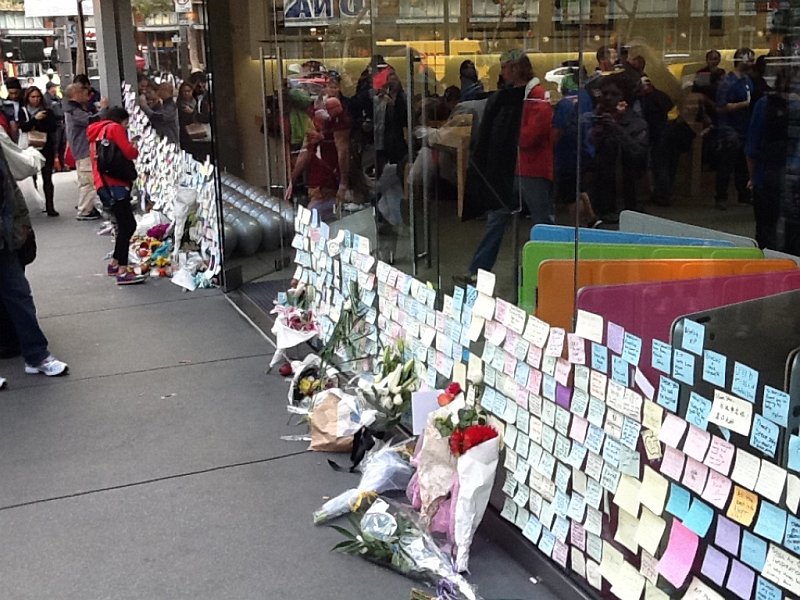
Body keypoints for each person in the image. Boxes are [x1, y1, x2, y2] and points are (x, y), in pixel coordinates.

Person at [456, 50, 532, 283]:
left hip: (522, 170)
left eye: (505, 67)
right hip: (513, 170)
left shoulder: (520, 98)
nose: (502, 72)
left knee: (532, 219)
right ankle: (478, 270)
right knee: (500, 220)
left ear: (515, 69)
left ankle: (479, 270)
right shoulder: (511, 98)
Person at [0, 143, 68, 378]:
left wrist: (23, 223)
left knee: (19, 296)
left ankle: (37, 355)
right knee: (18, 296)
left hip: (4, 239)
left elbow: (11, 189)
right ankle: (36, 355)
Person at [87, 107, 144, 285]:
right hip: (116, 184)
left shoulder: (96, 133)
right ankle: (123, 270)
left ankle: (115, 263)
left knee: (122, 224)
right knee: (128, 225)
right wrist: (134, 146)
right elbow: (129, 152)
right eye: (126, 124)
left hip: (102, 184)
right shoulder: (113, 128)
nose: (126, 128)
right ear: (121, 120)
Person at [583, 73, 649, 221]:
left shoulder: (636, 123)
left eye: (614, 94)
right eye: (605, 93)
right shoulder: (597, 120)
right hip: (600, 201)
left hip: (626, 201)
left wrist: (615, 128)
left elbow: (638, 154)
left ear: (624, 97)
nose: (608, 98)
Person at [285, 73, 352, 215]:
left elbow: (343, 150)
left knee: (316, 215)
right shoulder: (317, 114)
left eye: (333, 87)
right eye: (326, 87)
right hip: (318, 179)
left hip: (331, 178)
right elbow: (307, 148)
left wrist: (343, 183)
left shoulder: (339, 116)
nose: (329, 90)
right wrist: (292, 179)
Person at [552, 71, 600, 227]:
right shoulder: (585, 96)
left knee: (571, 195)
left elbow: (557, 130)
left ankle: (576, 228)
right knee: (579, 186)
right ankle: (592, 217)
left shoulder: (564, 104)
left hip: (567, 153)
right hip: (585, 148)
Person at [714, 47, 755, 210]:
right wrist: (743, 105)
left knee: (742, 165)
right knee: (726, 165)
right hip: (729, 129)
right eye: (749, 59)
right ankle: (721, 196)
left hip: (745, 128)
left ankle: (743, 194)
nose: (751, 62)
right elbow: (721, 107)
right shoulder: (727, 82)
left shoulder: (748, 80)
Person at [64, 82, 108, 220]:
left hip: (82, 149)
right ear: (76, 94)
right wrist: (104, 109)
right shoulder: (73, 111)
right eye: (84, 93)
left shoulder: (74, 109)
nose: (87, 96)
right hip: (84, 150)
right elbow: (91, 120)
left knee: (87, 180)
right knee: (88, 181)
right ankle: (85, 210)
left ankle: (88, 207)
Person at [517, 72, 555, 226]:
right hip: (524, 167)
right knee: (497, 216)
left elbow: (530, 137)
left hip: (533, 167)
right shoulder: (531, 96)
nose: (502, 73)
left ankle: (550, 248)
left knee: (542, 220)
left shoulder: (537, 97)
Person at [19, 86, 58, 216]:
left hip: (45, 147)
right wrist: (35, 119)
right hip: (30, 147)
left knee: (47, 177)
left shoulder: (47, 111)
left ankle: (50, 206)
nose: (35, 100)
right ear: (27, 98)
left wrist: (40, 122)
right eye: (32, 97)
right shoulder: (23, 111)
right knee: (32, 177)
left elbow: (52, 127)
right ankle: (37, 204)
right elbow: (23, 127)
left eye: (37, 97)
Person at [139, 82, 179, 146]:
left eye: (160, 90)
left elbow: (159, 118)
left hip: (170, 141)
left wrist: (144, 106)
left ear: (166, 91)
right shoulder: (165, 105)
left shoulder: (171, 106)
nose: (159, 93)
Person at [44, 81, 66, 171]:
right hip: (54, 124)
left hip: (61, 122)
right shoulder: (46, 99)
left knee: (62, 144)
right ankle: (54, 165)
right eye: (53, 87)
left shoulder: (57, 98)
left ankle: (62, 164)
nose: (55, 89)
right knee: (55, 145)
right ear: (49, 88)